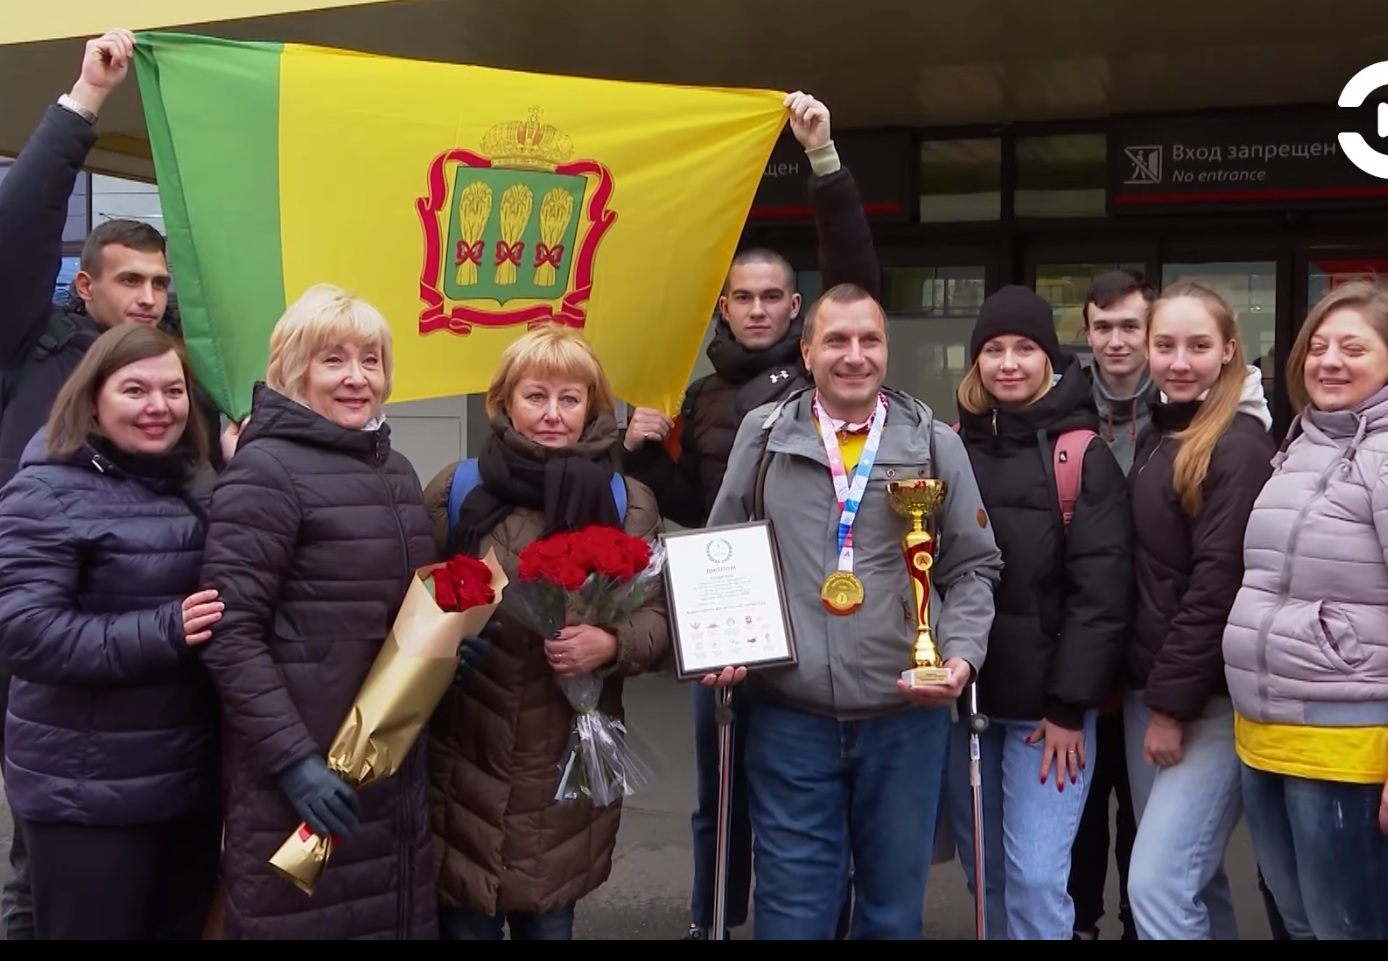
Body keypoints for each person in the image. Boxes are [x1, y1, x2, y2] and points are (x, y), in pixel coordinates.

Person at [620, 91, 878, 941]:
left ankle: (821, 923)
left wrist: (824, 160)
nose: (760, 308)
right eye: (744, 297)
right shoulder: (698, 396)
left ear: (798, 308)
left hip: (818, 611)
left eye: (774, 295)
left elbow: (854, 278)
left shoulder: (821, 375)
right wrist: (643, 451)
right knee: (720, 793)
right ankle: (712, 923)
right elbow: (697, 506)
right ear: (724, 307)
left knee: (814, 798)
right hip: (729, 615)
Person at [0, 31, 225, 936]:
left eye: (160, 283)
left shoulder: (189, 389)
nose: (147, 296)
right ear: (83, 286)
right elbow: (18, 228)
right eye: (128, 279)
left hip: (170, 738)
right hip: (66, 717)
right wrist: (85, 102)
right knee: (45, 877)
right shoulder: (29, 345)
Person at [706, 282, 1003, 940]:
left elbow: (972, 565)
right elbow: (721, 552)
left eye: (869, 339)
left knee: (891, 915)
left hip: (904, 719)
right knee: (791, 916)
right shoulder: (763, 438)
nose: (854, 354)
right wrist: (720, 635)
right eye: (836, 339)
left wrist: (959, 653)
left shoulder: (932, 444)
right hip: (792, 715)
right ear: (808, 350)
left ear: (886, 351)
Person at [197, 284, 438, 939]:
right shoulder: (266, 472)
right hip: (299, 779)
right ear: (292, 368)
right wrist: (293, 759)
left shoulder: (397, 472)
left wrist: (447, 651)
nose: (358, 377)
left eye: (372, 359)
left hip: (390, 773)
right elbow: (230, 633)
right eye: (333, 359)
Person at [425, 324, 671, 940]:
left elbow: (660, 617)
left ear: (593, 405)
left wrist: (610, 645)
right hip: (464, 750)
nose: (553, 414)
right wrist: (439, 644)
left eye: (570, 398)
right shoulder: (456, 490)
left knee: (549, 921)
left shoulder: (626, 499)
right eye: (536, 396)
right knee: (462, 921)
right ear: (504, 401)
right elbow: (408, 599)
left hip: (567, 751)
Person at [0, 325, 223, 939]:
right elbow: (26, 633)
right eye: (135, 389)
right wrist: (165, 629)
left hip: (186, 788)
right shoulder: (45, 489)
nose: (159, 406)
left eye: (173, 390)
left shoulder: (196, 485)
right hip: (87, 797)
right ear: (92, 397)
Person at [947, 286, 1132, 940]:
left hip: (1046, 718)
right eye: (993, 349)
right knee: (985, 873)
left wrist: (1067, 706)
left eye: (1025, 348)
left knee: (1033, 877)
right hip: (964, 703)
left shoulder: (1081, 456)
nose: (1008, 362)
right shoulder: (950, 448)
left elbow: (1102, 596)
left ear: (1050, 358)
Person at [1223, 281, 1388, 940]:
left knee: (1343, 927)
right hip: (1266, 735)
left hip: (1346, 745)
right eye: (1318, 346)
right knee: (1296, 922)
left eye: (1354, 347)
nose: (1329, 360)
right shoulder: (1301, 444)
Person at [1123, 282, 1275, 940]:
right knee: (1195, 878)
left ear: (1229, 352)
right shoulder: (1163, 432)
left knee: (1155, 886)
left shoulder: (1238, 445)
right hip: (1153, 689)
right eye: (1165, 345)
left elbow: (1218, 584)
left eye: (1198, 345)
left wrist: (1169, 706)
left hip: (1201, 703)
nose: (1179, 360)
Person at [1067, 268, 1154, 941]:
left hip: (1154, 640)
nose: (1116, 339)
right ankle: (1081, 922)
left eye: (1130, 325)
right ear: (1086, 331)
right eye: (1104, 326)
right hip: (1084, 632)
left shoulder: (1190, 405)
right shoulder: (1063, 404)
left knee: (1147, 810)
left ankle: (1138, 922)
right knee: (1081, 804)